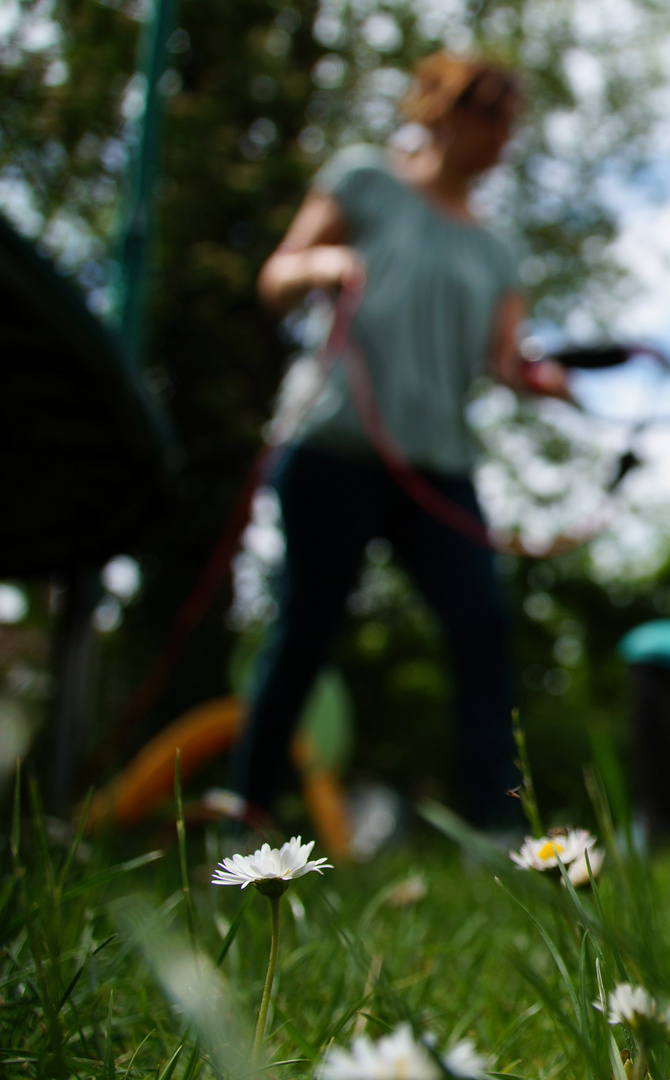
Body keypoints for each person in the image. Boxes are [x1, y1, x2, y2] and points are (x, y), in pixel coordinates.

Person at [231, 52, 568, 829]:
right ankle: (242, 815)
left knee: (482, 628)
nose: (503, 141)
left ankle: (501, 826)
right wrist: (325, 260)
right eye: (494, 120)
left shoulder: (494, 250)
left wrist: (543, 380)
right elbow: (275, 277)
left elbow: (505, 360)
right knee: (305, 630)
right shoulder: (364, 181)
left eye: (512, 128)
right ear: (446, 113)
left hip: (437, 469)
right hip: (334, 449)